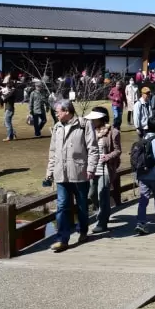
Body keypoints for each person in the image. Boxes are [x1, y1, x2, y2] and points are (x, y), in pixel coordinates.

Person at [46, 99, 99, 252]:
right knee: (62, 205)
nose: (56, 114)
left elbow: (93, 148)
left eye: (58, 111)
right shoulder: (57, 127)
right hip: (61, 174)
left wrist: (91, 168)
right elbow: (52, 152)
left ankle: (82, 230)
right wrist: (49, 171)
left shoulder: (84, 125)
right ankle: (62, 239)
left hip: (79, 172)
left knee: (82, 205)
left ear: (67, 111)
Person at [86, 106, 120, 235]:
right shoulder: (89, 131)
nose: (92, 121)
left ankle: (102, 222)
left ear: (101, 118)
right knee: (92, 194)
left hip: (105, 168)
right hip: (92, 168)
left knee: (102, 193)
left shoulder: (113, 132)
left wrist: (108, 156)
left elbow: (117, 150)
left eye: (94, 119)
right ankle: (104, 211)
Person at [133, 115, 155, 235]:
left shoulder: (143, 138)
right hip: (154, 175)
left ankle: (141, 222)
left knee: (143, 198)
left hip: (142, 174)